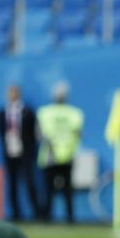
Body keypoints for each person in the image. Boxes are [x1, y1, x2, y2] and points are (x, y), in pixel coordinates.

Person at [37, 80, 84, 223]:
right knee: (65, 190)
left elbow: (40, 135)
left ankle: (49, 218)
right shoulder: (75, 113)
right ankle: (68, 218)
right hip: (64, 155)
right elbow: (78, 134)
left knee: (53, 190)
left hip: (53, 155)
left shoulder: (44, 112)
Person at [0, 84, 41, 222]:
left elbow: (33, 133)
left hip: (25, 151)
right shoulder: (2, 112)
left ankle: (37, 214)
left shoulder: (27, 111)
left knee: (30, 182)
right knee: (12, 184)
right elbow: (0, 132)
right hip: (9, 150)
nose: (12, 95)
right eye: (10, 93)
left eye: (14, 92)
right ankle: (16, 214)